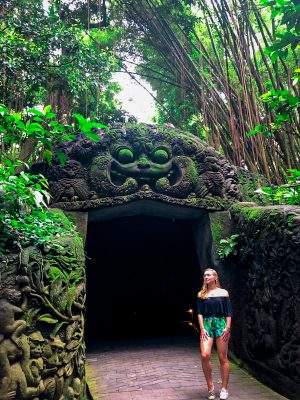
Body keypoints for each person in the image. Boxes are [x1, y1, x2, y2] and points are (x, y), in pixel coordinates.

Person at [197, 268, 232, 400]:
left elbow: (228, 312)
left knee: (222, 357)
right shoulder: (201, 294)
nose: (205, 277)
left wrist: (227, 327)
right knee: (205, 355)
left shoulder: (223, 293)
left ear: (215, 277)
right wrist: (202, 328)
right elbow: (199, 312)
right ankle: (211, 388)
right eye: (205, 275)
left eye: (208, 275)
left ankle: (224, 389)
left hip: (221, 324)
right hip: (207, 324)